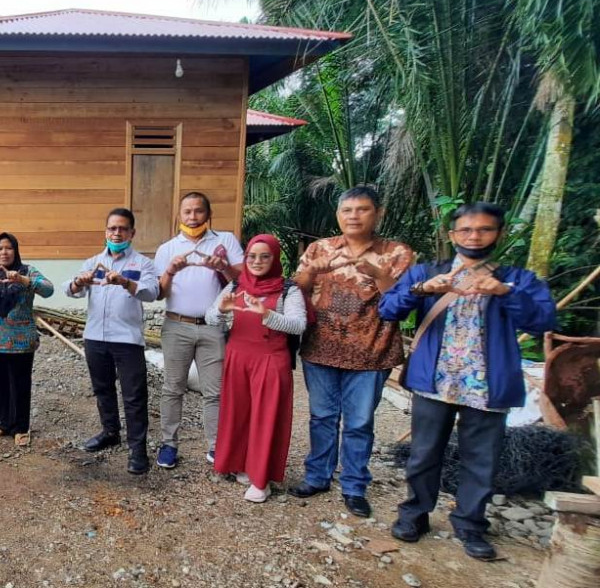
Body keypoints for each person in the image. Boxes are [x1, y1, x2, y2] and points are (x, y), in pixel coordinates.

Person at [380, 202, 557, 560]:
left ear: (499, 234)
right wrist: (421, 290)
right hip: (435, 379)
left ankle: (470, 523)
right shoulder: (427, 272)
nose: (474, 236)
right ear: (452, 235)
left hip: (488, 385)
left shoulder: (517, 279)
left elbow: (542, 321)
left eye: (484, 229)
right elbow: (388, 309)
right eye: (466, 230)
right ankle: (415, 514)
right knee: (424, 453)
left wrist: (506, 294)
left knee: (482, 459)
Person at [289, 185, 413, 518]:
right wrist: (310, 273)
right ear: (338, 215)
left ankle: (355, 486)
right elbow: (296, 292)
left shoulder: (396, 253)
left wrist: (379, 275)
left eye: (362, 209)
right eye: (348, 210)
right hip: (321, 349)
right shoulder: (320, 249)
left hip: (371, 351)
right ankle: (317, 476)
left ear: (378, 213)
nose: (354, 216)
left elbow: (402, 305)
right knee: (322, 417)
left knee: (359, 423)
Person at [205, 234, 307, 502]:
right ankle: (238, 464)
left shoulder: (288, 289)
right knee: (237, 412)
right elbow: (210, 317)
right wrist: (222, 311)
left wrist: (267, 315)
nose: (257, 261)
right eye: (252, 256)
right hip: (238, 355)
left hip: (271, 358)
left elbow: (298, 325)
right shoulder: (236, 284)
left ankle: (262, 479)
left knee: (266, 415)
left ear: (274, 259)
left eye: (265, 256)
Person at [153, 192, 244, 469]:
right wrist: (169, 271)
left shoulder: (224, 241)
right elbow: (159, 293)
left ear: (208, 214)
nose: (193, 217)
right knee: (172, 388)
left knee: (214, 391)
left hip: (212, 327)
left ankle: (217, 446)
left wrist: (224, 266)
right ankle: (169, 444)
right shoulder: (167, 248)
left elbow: (242, 281)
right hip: (176, 325)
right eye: (187, 212)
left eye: (198, 211)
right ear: (179, 216)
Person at [66, 208, 159, 475]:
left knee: (134, 396)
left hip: (127, 340)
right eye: (112, 229)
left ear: (132, 233)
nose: (116, 233)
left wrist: (125, 282)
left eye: (122, 229)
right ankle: (110, 432)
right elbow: (71, 291)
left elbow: (152, 293)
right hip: (95, 337)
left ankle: (137, 450)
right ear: (105, 231)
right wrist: (77, 282)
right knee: (103, 389)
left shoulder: (142, 264)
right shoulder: (92, 262)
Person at [0, 232, 54, 446]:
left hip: (21, 342)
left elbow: (48, 290)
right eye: (0, 248)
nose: (4, 252)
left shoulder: (27, 271)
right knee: (0, 383)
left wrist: (22, 280)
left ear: (16, 251)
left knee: (20, 384)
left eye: (9, 248)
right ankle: (5, 423)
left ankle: (21, 428)